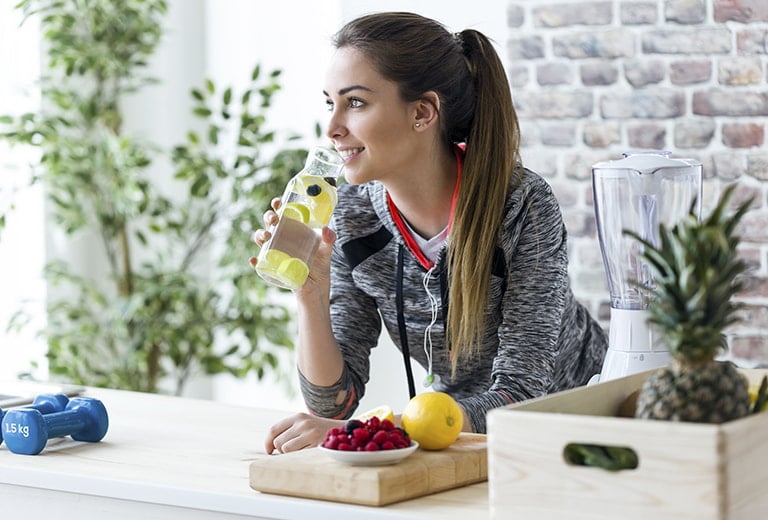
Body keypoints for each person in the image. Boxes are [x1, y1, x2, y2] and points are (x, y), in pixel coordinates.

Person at [251, 11, 607, 454]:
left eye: (355, 102)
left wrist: (373, 431)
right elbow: (334, 403)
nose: (331, 128)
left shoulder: (520, 205)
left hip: (586, 428)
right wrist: (310, 293)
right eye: (330, 103)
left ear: (423, 112)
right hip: (459, 439)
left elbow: (523, 394)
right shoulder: (353, 217)